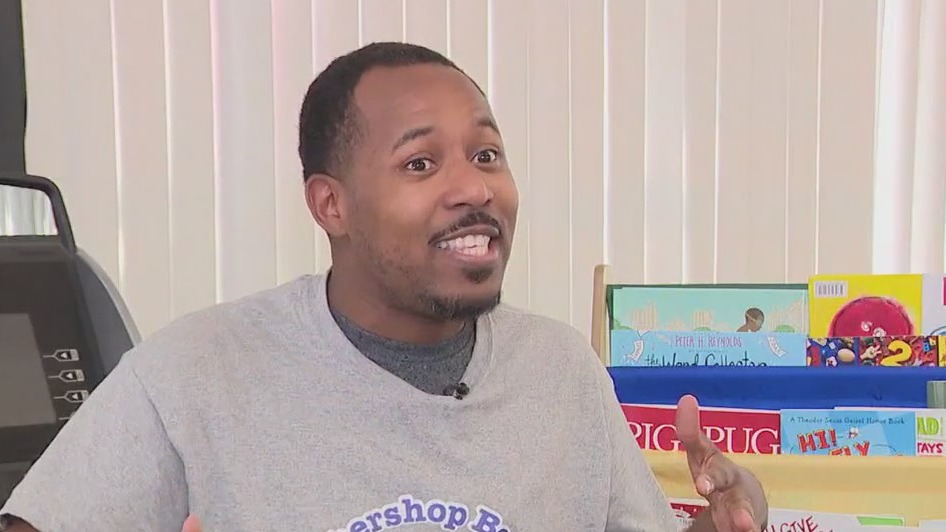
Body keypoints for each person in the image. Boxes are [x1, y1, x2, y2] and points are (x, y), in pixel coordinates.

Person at [0, 42, 767, 532]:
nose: (474, 187)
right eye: (420, 164)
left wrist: (723, 526)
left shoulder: (562, 372)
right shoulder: (199, 369)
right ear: (331, 205)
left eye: (487, 155)